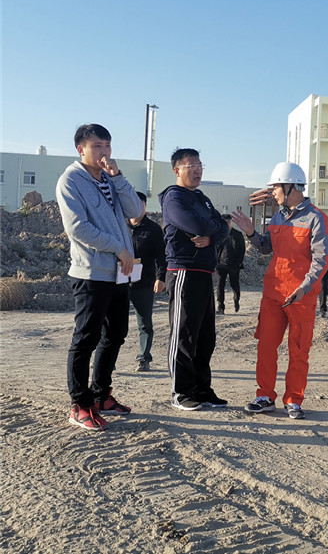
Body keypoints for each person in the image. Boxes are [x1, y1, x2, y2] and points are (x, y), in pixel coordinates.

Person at [56, 123, 143, 431]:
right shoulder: (70, 181)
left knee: (116, 334)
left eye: (107, 145)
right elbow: (77, 227)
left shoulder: (109, 178)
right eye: (97, 146)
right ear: (81, 149)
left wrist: (118, 177)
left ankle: (101, 395)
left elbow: (135, 210)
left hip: (118, 274)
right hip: (91, 273)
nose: (104, 152)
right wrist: (119, 248)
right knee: (86, 338)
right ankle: (79, 405)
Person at [231, 162, 328, 420]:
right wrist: (251, 233)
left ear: (290, 187)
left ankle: (293, 400)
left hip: (300, 296)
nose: (273, 192)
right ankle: (265, 395)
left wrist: (304, 287)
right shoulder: (277, 217)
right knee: (265, 346)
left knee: (298, 350)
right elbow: (266, 247)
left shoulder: (316, 219)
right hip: (273, 294)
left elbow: (322, 259)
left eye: (276, 187)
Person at [159, 148, 229, 411]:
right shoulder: (174, 197)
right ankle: (181, 392)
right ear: (177, 170)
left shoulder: (201, 198)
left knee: (205, 337)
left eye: (200, 165)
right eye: (192, 166)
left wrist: (212, 236)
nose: (198, 170)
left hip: (204, 272)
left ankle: (202, 389)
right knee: (184, 334)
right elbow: (199, 225)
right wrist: (212, 227)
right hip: (184, 272)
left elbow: (223, 228)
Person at [128, 191, 167, 372]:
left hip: (143, 282)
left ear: (144, 206)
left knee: (144, 323)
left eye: (140, 205)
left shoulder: (153, 229)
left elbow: (161, 256)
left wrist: (160, 278)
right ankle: (107, 360)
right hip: (119, 282)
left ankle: (144, 358)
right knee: (112, 322)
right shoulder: (120, 226)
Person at [216, 214, 246, 314]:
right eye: (225, 222)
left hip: (234, 265)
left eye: (228, 222)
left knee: (234, 284)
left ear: (231, 222)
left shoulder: (238, 234)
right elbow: (216, 248)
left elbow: (242, 250)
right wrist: (215, 261)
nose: (227, 224)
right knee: (220, 285)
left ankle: (236, 301)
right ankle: (221, 307)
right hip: (221, 264)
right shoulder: (219, 234)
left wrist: (238, 263)